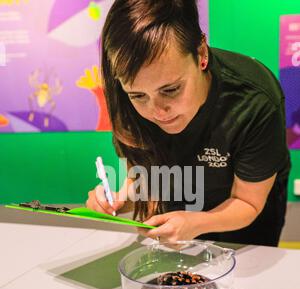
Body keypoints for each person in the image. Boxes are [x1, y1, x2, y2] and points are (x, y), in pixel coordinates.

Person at [86, 0, 291, 247]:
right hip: (179, 215)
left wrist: (195, 223)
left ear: (201, 54)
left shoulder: (254, 101)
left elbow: (248, 203)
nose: (157, 112)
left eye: (171, 89)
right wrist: (118, 199)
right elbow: (147, 178)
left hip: (246, 224)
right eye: (138, 95)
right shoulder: (126, 101)